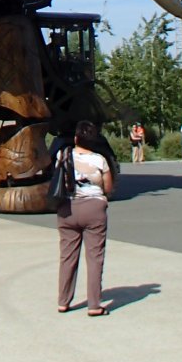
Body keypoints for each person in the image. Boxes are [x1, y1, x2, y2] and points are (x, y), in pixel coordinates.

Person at [56, 120, 115, 316]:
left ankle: (63, 301)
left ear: (76, 138)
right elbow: (108, 187)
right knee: (95, 257)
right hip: (94, 209)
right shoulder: (100, 160)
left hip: (68, 209)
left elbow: (57, 178)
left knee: (67, 257)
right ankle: (94, 304)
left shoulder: (63, 156)